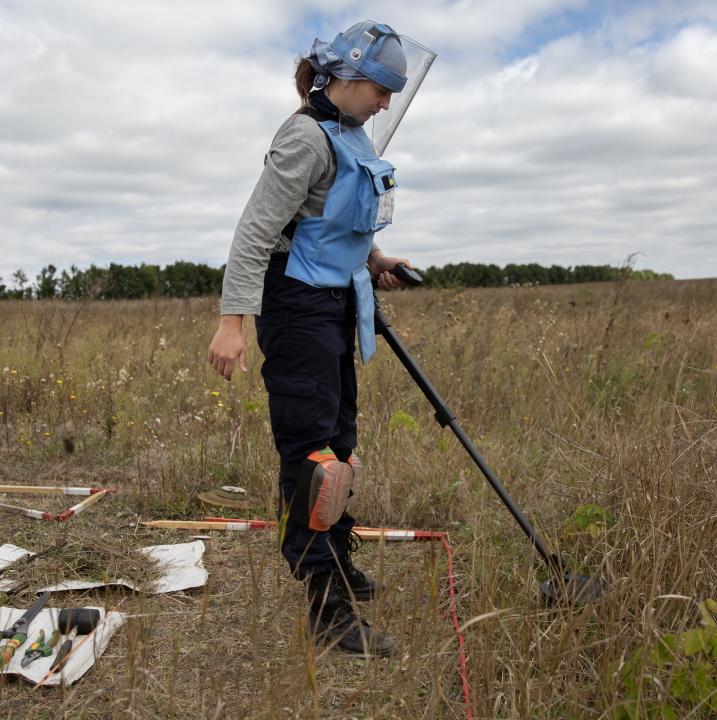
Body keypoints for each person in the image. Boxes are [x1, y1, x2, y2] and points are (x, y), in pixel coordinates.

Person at [207, 21, 423, 658]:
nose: (386, 103)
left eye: (392, 93)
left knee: (340, 447)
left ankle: (339, 563)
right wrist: (231, 323)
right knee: (312, 458)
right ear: (348, 77)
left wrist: (376, 260)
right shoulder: (304, 136)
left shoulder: (352, 134)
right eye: (381, 90)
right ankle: (326, 610)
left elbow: (331, 224)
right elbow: (256, 232)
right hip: (296, 307)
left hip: (336, 304)